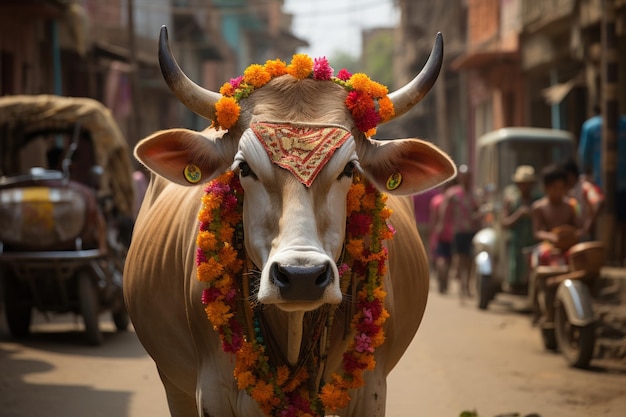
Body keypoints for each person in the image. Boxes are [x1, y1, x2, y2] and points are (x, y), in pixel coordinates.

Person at [578, 108, 626, 263]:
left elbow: (584, 156)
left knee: (597, 219)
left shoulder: (590, 126)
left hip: (601, 183)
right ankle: (619, 256)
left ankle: (601, 257)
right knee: (622, 223)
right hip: (621, 183)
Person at [440, 165, 480, 299]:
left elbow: (478, 209)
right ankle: (462, 285)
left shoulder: (475, 194)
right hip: (459, 230)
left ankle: (468, 284)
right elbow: (444, 209)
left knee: (470, 259)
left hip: (472, 230)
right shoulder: (453, 193)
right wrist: (442, 224)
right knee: (460, 258)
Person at [531, 164, 582, 267]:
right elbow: (537, 232)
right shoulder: (539, 207)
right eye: (554, 188)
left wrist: (572, 235)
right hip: (548, 246)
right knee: (544, 255)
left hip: (568, 246)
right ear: (546, 187)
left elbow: (578, 227)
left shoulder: (571, 205)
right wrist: (551, 237)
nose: (558, 191)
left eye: (561, 188)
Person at [502, 165, 538, 293]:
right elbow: (504, 223)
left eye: (528, 184)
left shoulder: (538, 200)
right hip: (516, 244)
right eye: (522, 184)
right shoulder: (511, 200)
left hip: (534, 242)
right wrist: (519, 214)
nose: (525, 187)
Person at [562, 158, 604, 240]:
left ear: (570, 175)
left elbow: (598, 202)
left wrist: (587, 227)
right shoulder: (572, 190)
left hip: (590, 235)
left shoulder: (585, 186)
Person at [430, 181, 455, 293]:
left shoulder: (436, 200)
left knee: (440, 256)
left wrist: (433, 230)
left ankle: (441, 274)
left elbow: (433, 218)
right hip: (452, 231)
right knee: (449, 258)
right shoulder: (454, 199)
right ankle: (445, 279)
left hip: (439, 231)